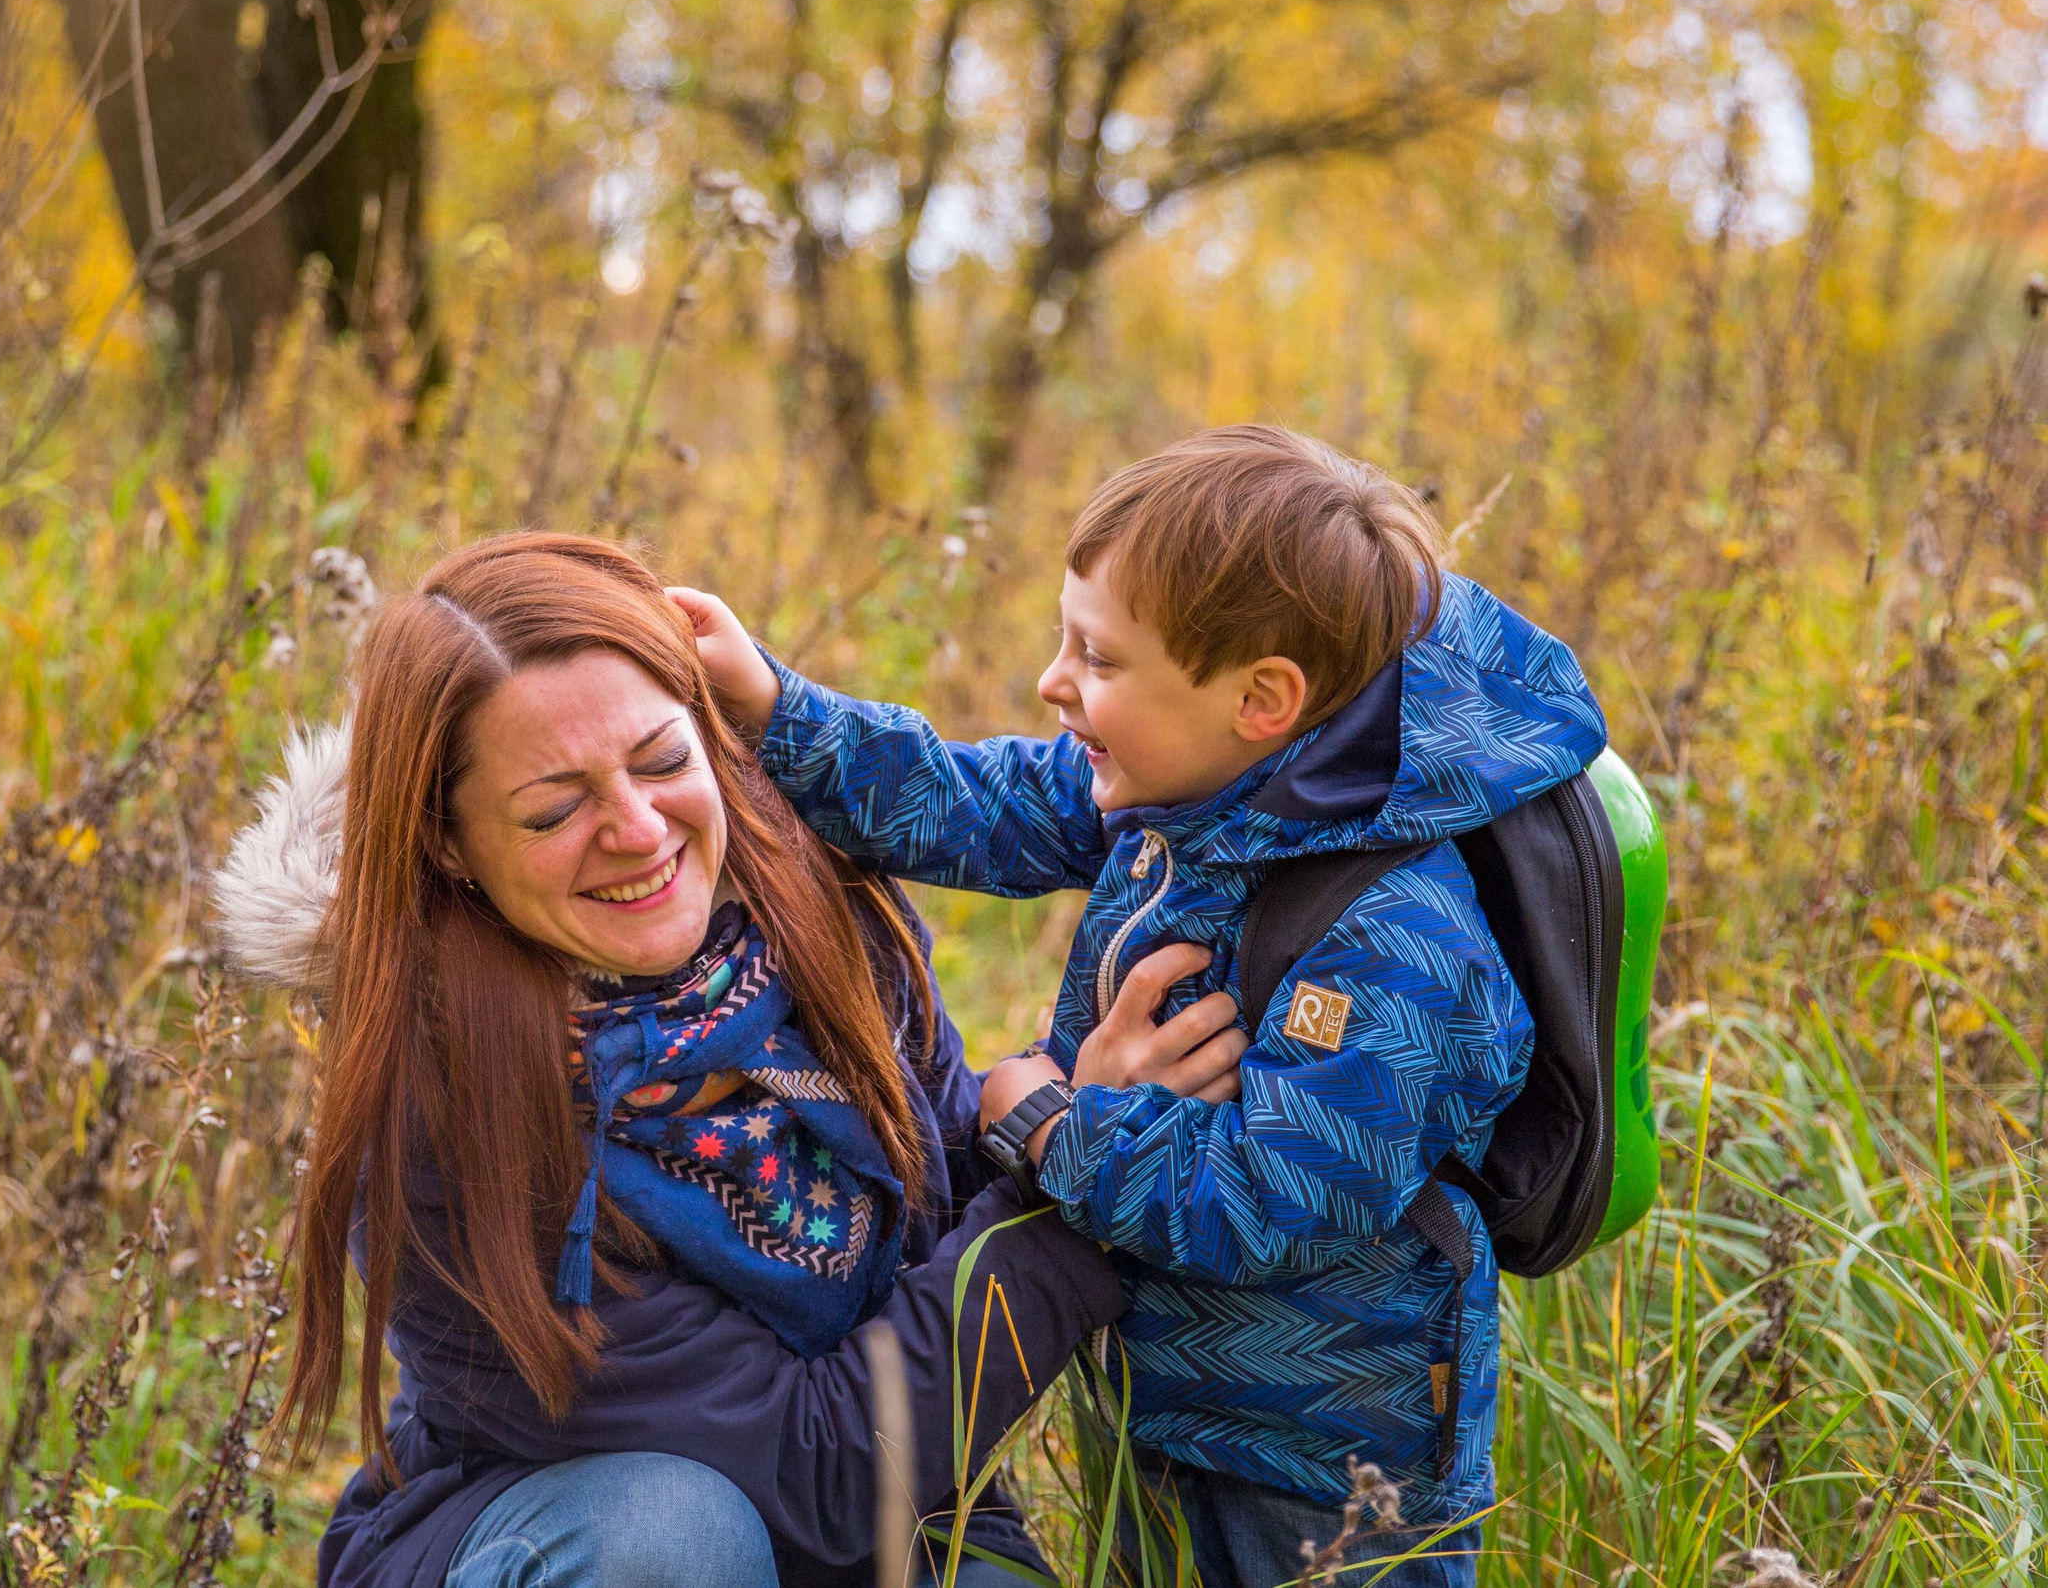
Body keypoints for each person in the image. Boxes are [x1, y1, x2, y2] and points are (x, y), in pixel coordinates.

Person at [673, 426, 1612, 1588]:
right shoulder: (1193, 789)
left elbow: (1268, 1204)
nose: (1052, 682)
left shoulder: (1398, 939)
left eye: (1099, 659)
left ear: (1262, 700)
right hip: (1161, 1410)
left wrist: (1055, 1125)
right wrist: (773, 706)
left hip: (1323, 1463)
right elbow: (978, 803)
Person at [216, 533, 1249, 1588]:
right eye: (554, 808)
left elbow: (943, 1236)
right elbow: (813, 1473)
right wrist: (1071, 1182)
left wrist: (1066, 1122)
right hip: (594, 1540)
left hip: (889, 1514)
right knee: (672, 1541)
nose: (634, 829)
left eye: (663, 760)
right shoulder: (437, 1112)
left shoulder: (816, 914)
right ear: (447, 844)